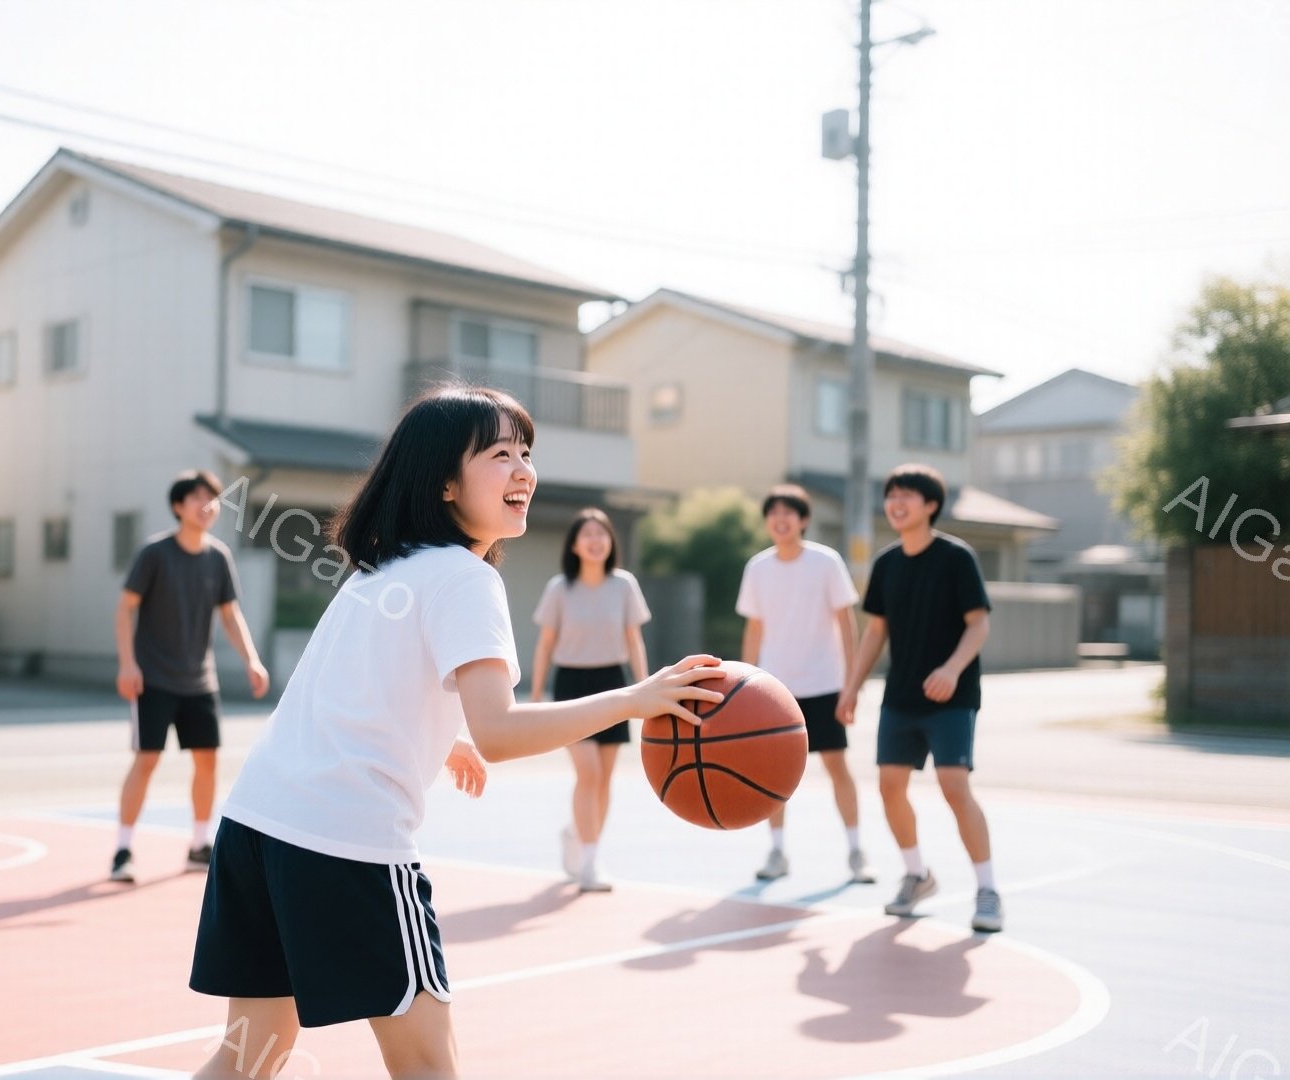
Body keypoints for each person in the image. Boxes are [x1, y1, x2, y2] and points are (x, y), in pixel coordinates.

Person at [189, 386, 725, 1079]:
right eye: (501, 455)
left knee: (247, 1057)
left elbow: (357, 693)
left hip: (256, 827)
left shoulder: (379, 571)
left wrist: (447, 739)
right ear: (445, 481)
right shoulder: (465, 580)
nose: (524, 470)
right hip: (346, 842)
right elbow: (500, 731)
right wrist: (635, 697)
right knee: (427, 1069)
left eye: (526, 453)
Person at [836, 464, 1002, 933]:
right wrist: (851, 687)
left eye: (906, 495)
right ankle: (916, 875)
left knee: (954, 786)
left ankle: (987, 889)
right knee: (889, 787)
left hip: (952, 695)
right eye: (891, 496)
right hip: (901, 695)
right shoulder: (887, 563)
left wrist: (951, 669)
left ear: (931, 505)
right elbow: (875, 632)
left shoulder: (956, 558)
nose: (896, 503)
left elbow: (978, 624)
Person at [111, 469, 270, 884]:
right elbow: (125, 608)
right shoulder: (154, 554)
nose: (207, 506)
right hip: (153, 678)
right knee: (147, 759)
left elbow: (230, 615)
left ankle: (200, 845)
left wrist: (251, 659)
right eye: (198, 498)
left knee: (208, 760)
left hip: (200, 680)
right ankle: (123, 850)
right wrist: (128, 663)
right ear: (179, 506)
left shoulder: (218, 557)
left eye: (213, 499)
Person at [735, 484, 872, 885]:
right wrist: (743, 683)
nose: (780, 519)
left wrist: (851, 683)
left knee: (836, 765)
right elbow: (754, 628)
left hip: (825, 683)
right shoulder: (757, 568)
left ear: (803, 519)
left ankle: (856, 851)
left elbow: (846, 624)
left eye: (788, 513)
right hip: (774, 689)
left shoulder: (826, 562)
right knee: (772, 775)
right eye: (773, 513)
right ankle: (777, 852)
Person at [531, 508, 652, 893]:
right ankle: (590, 863)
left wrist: (645, 690)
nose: (596, 540)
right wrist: (536, 695)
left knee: (605, 779)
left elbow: (634, 640)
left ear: (611, 541)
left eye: (602, 533)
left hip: (613, 683)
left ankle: (580, 838)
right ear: (575, 544)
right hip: (571, 683)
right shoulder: (558, 588)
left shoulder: (624, 585)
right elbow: (545, 644)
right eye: (587, 534)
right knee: (590, 773)